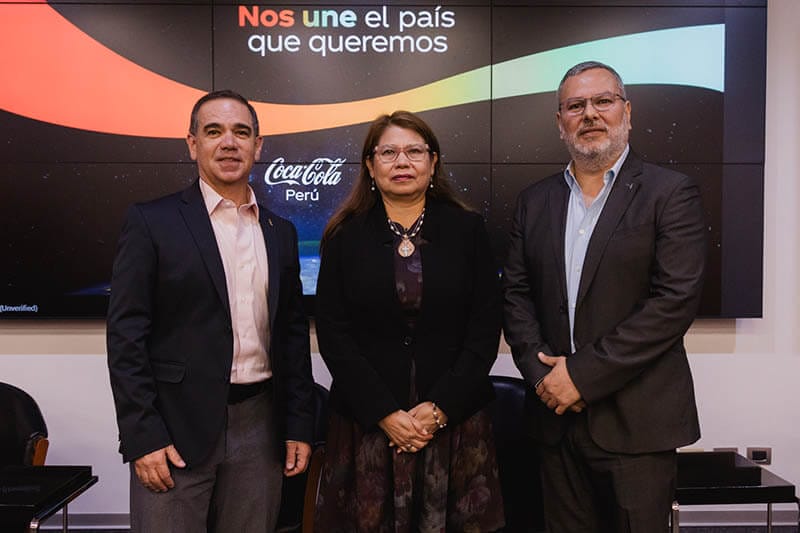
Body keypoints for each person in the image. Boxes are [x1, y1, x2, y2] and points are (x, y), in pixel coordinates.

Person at [502, 61, 707, 532]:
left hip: (638, 423)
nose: (589, 114)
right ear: (560, 122)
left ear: (627, 112)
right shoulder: (534, 201)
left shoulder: (670, 193)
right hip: (555, 423)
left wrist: (580, 376)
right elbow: (515, 297)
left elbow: (672, 302)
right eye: (575, 105)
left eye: (603, 101)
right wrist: (543, 380)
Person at [107, 89, 314, 532]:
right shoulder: (152, 222)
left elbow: (293, 336)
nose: (228, 143)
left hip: (261, 427)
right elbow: (126, 336)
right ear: (192, 143)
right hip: (174, 430)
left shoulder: (281, 232)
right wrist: (143, 436)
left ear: (258, 146)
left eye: (241, 132)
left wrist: (300, 424)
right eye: (214, 131)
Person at [314, 111, 505, 532]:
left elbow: (484, 329)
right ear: (370, 164)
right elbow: (333, 333)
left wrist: (438, 411)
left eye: (414, 151)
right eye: (389, 152)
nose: (402, 162)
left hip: (453, 423)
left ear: (433, 161)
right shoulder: (344, 235)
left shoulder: (468, 229)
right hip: (367, 426)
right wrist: (384, 412)